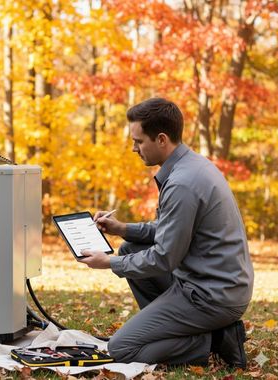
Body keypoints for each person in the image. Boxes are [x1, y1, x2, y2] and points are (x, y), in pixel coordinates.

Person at [79, 97, 254, 368]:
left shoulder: (183, 183)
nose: (134, 149)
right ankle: (175, 329)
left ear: (161, 139)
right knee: (130, 249)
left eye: (138, 141)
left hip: (210, 296)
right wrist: (123, 229)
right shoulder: (191, 166)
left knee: (121, 349)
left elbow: (163, 258)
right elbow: (169, 231)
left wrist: (108, 262)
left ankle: (211, 341)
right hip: (214, 285)